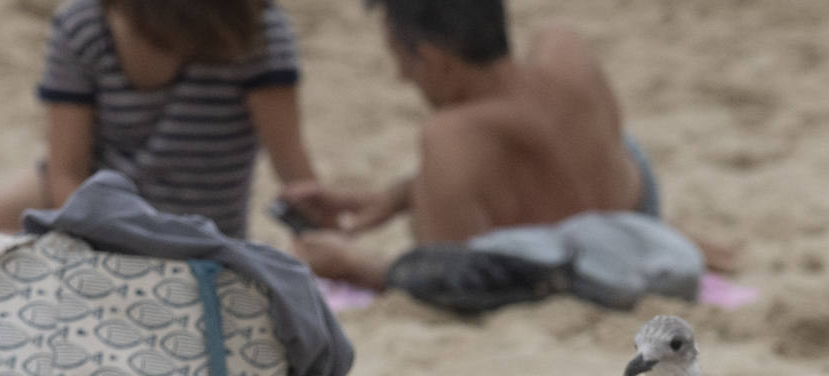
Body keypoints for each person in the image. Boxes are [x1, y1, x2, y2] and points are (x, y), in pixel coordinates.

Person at [283, 0, 738, 290]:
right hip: (634, 210)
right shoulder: (567, 49)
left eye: (404, 61)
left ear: (434, 59)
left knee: (446, 228)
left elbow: (450, 278)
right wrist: (395, 197)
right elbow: (531, 144)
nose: (403, 77)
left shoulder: (451, 134)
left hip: (573, 260)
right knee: (609, 148)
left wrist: (351, 263)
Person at [0, 0, 319, 242]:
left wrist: (314, 232)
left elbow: (290, 164)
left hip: (197, 222)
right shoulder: (84, 24)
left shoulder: (251, 32)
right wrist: (94, 239)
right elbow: (66, 172)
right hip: (86, 197)